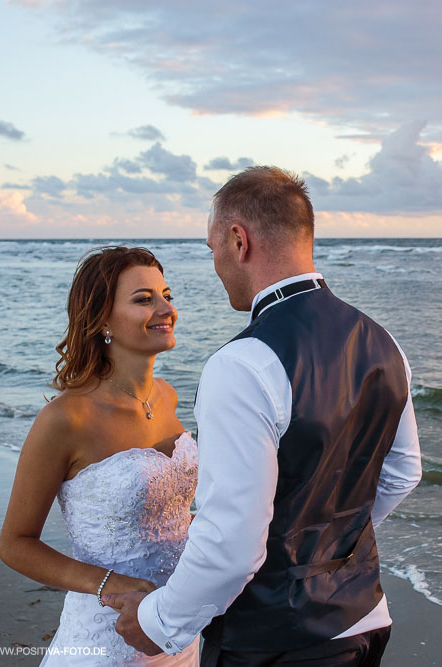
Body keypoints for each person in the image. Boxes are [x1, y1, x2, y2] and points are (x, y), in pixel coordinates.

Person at [105, 167, 422, 666]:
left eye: (213, 249)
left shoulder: (243, 363)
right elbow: (403, 473)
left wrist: (159, 623)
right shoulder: (386, 344)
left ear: (238, 240)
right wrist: (323, 542)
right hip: (365, 617)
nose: (216, 266)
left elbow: (234, 542)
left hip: (277, 638)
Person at [0, 246, 200, 666]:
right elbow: (15, 544)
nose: (166, 308)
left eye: (167, 295)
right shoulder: (66, 419)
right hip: (104, 643)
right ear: (102, 319)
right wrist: (112, 583)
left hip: (177, 630)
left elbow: (170, 517)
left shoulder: (167, 396)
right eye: (144, 299)